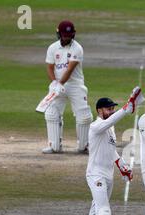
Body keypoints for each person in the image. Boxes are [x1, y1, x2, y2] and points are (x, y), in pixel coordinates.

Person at [75, 88, 140, 215]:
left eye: (112, 108)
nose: (110, 111)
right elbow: (111, 120)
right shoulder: (96, 126)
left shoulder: (110, 128)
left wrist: (122, 166)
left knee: (96, 211)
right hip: (96, 175)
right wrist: (126, 108)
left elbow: (111, 151)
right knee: (104, 211)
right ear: (99, 111)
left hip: (107, 175)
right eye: (108, 108)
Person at [42, 20, 92, 154]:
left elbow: (69, 69)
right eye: (64, 35)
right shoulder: (52, 48)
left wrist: (59, 84)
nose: (67, 38)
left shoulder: (77, 48)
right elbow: (50, 67)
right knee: (51, 114)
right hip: (58, 85)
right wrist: (54, 83)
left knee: (84, 116)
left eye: (69, 36)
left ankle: (84, 146)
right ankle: (54, 146)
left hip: (75, 85)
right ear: (58, 34)